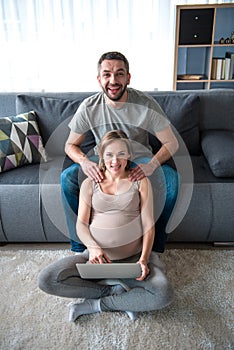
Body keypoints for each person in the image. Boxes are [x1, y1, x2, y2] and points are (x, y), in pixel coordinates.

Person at [38, 130, 174, 322]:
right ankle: (115, 293)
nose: (115, 161)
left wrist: (143, 259)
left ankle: (97, 305)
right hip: (95, 260)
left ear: (128, 156)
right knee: (47, 279)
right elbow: (81, 225)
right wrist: (93, 249)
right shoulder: (89, 184)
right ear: (101, 156)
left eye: (121, 154)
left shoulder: (140, 181)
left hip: (133, 260)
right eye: (109, 154)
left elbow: (149, 226)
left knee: (163, 293)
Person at [61, 51, 179, 253]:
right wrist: (84, 162)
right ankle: (82, 248)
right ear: (99, 79)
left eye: (119, 74)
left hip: (138, 158)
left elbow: (171, 142)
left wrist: (151, 165)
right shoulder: (89, 107)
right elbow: (70, 145)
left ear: (128, 77)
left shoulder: (145, 103)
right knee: (67, 178)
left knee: (171, 182)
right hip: (103, 159)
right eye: (107, 74)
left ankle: (154, 249)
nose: (113, 80)